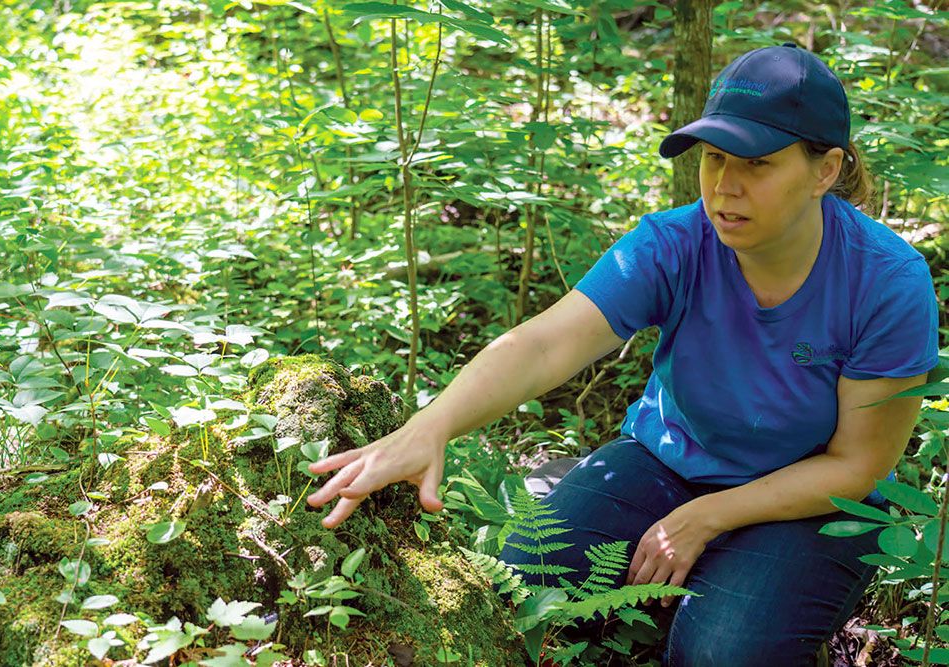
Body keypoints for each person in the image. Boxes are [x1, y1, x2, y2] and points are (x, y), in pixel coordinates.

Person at [306, 43, 939, 665]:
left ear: (825, 170)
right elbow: (546, 342)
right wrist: (429, 427)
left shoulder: (885, 282)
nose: (724, 185)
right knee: (517, 586)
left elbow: (857, 466)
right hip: (667, 462)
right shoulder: (673, 244)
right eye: (714, 157)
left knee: (724, 654)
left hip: (809, 502)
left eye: (757, 163)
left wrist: (706, 519)